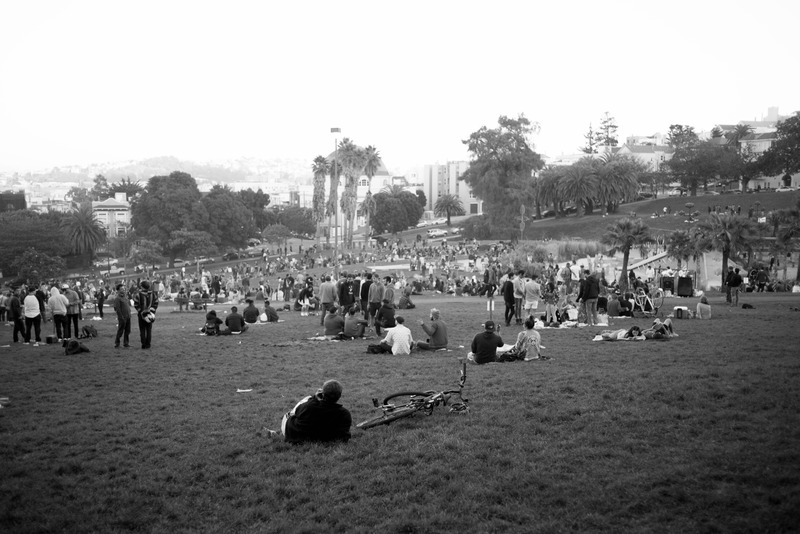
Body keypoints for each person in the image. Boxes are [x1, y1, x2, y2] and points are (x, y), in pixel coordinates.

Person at [266, 379, 352, 444]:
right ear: (339, 396)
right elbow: (345, 436)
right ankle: (278, 432)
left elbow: (297, 412)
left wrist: (314, 399)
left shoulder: (310, 406)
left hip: (296, 435)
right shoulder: (345, 414)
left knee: (297, 408)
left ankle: (279, 432)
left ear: (323, 394)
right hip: (323, 439)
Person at [134, 280, 158, 349]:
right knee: (149, 330)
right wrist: (152, 311)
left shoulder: (138, 294)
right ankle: (148, 344)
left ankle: (143, 344)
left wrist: (141, 311)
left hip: (141, 315)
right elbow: (156, 303)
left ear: (142, 286)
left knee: (142, 330)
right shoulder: (153, 294)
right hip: (150, 315)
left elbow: (136, 304)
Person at [112, 284, 132, 348]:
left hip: (128, 316)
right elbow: (117, 309)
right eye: (121, 289)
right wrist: (121, 317)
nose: (123, 290)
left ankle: (126, 343)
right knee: (120, 331)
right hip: (122, 317)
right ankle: (117, 343)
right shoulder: (117, 299)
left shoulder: (125, 297)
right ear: (118, 290)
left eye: (123, 289)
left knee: (127, 330)